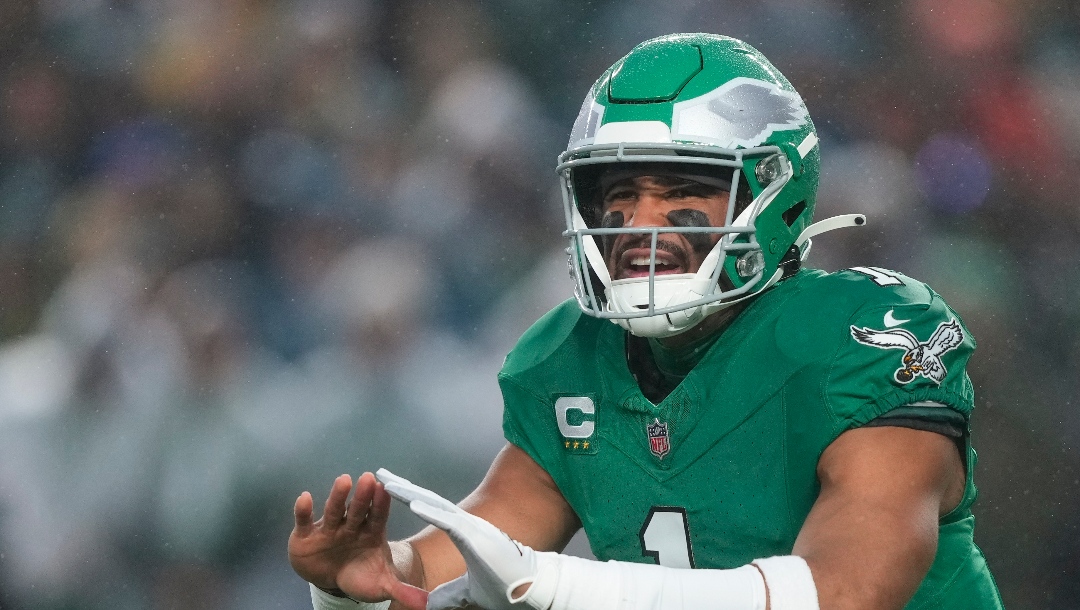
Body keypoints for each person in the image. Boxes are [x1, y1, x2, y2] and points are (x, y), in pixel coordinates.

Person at [288, 33, 1003, 610]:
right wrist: (380, 572)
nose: (637, 226)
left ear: (775, 196)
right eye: (619, 196)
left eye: (682, 192)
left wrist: (569, 588)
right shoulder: (572, 356)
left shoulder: (864, 333)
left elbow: (843, 594)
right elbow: (482, 547)